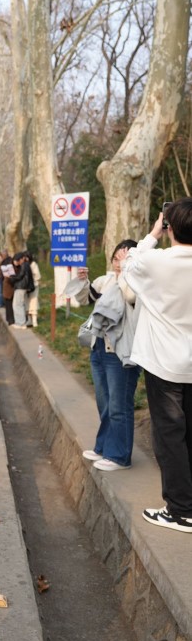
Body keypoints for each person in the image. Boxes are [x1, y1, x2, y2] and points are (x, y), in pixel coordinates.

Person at [121, 199, 192, 531]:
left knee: (170, 436)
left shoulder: (157, 261)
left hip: (164, 364)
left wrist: (153, 233)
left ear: (170, 227)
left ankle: (180, 509)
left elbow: (128, 262)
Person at [75, 240, 141, 472]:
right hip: (99, 346)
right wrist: (82, 281)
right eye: (116, 258)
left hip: (121, 352)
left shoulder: (137, 282)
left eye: (124, 259)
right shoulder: (105, 281)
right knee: (105, 402)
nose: (118, 263)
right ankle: (104, 447)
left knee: (119, 404)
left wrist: (126, 271)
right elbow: (85, 299)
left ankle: (120, 456)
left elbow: (130, 296)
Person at [8, 251, 32, 327]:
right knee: (19, 304)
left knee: (17, 305)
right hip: (22, 286)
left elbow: (20, 276)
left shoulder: (24, 265)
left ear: (22, 259)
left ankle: (21, 323)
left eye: (18, 260)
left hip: (21, 286)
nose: (17, 262)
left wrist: (12, 277)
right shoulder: (26, 264)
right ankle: (20, 322)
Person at [26, 253, 42, 327]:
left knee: (34, 303)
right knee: (27, 303)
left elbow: (38, 276)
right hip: (26, 287)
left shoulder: (34, 265)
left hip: (34, 286)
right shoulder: (25, 265)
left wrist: (32, 279)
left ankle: (35, 321)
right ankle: (29, 320)